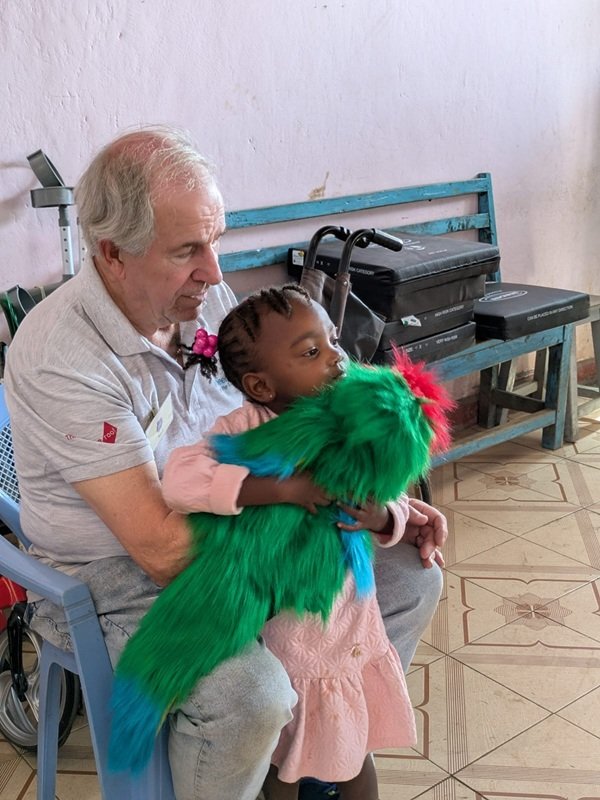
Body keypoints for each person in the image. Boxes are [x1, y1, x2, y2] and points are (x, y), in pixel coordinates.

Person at [3, 125, 447, 800]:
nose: (214, 272)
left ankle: (322, 749)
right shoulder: (62, 352)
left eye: (215, 240)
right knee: (253, 693)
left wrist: (384, 500)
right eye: (187, 250)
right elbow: (157, 547)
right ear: (112, 254)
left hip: (251, 511)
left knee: (413, 577)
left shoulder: (198, 298)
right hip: (117, 572)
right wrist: (313, 506)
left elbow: (313, 395)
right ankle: (261, 755)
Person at [162, 283, 428, 799]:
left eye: (331, 340)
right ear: (261, 385)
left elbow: (389, 491)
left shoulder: (351, 421)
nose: (335, 357)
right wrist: (282, 488)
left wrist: (381, 515)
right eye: (310, 352)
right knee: (286, 763)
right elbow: (179, 480)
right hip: (289, 640)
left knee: (356, 752)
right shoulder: (243, 428)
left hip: (351, 622)